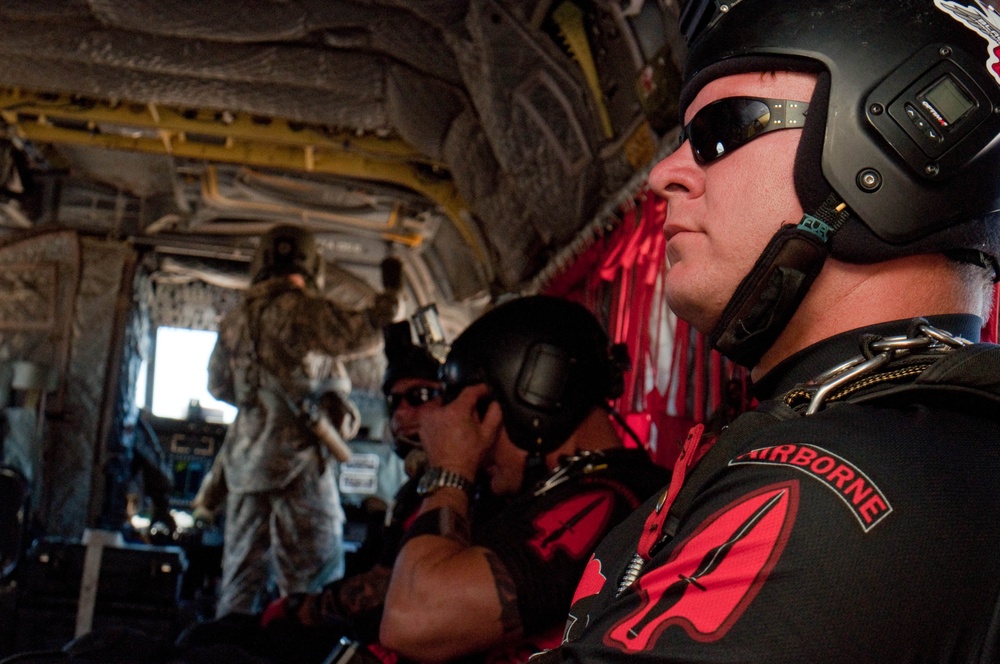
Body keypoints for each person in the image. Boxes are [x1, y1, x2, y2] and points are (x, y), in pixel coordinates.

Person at [532, 1, 1000, 662]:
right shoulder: (907, 441)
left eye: (719, 132)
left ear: (889, 140)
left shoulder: (837, 490)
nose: (663, 174)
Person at [379, 295, 670, 663]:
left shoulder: (614, 499)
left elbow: (411, 621)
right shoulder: (562, 486)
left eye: (478, 412)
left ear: (536, 396)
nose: (475, 440)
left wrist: (450, 470)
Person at [205, 224, 399, 619]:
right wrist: (391, 296)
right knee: (315, 585)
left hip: (244, 469)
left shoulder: (234, 321)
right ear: (312, 265)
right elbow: (365, 333)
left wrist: (257, 405)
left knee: (239, 584)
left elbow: (217, 385)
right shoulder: (303, 308)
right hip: (299, 467)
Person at [256, 320, 449, 655]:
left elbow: (391, 587)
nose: (402, 412)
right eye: (394, 400)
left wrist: (301, 607)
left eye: (419, 396)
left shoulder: (456, 491)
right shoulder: (415, 489)